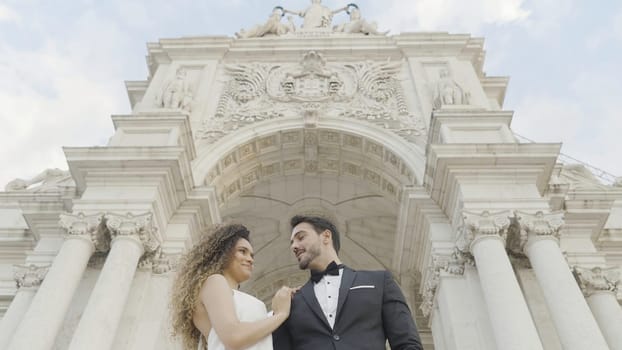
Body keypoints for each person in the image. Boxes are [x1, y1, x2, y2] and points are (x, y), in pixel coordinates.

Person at [273, 215, 423, 350]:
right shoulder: (291, 302)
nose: (293, 246)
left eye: (301, 237)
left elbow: (407, 343)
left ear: (326, 236)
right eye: (292, 242)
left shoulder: (379, 281)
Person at [170, 224, 294, 350]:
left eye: (252, 255)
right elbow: (234, 337)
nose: (250, 259)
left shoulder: (224, 292)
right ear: (223, 252)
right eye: (242, 251)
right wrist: (281, 314)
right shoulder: (215, 282)